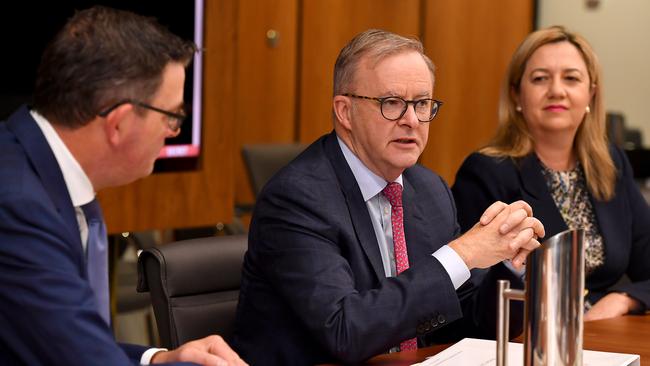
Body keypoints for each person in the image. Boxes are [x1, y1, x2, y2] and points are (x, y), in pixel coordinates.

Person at [232, 29, 544, 365]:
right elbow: (345, 332)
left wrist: (512, 268)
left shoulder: (429, 190)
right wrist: (462, 253)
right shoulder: (296, 199)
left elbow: (465, 321)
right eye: (391, 103)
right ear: (344, 111)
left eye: (422, 103)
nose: (411, 121)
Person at [0, 6, 246, 366]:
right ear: (119, 123)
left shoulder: (44, 172)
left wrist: (156, 359)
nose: (173, 132)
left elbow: (70, 340)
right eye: (173, 116)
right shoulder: (18, 207)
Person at [452, 26, 650, 322]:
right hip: (528, 337)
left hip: (606, 335)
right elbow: (472, 301)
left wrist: (623, 299)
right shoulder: (486, 172)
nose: (556, 90)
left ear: (591, 95)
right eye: (540, 78)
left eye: (571, 78)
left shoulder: (611, 163)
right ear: (516, 94)